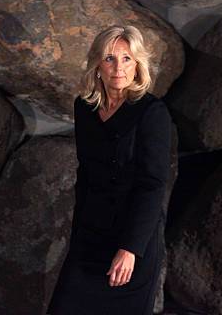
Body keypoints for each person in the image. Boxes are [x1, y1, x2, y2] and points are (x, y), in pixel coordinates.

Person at [48, 25, 171, 315]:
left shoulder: (152, 112)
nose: (118, 68)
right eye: (110, 59)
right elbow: (85, 174)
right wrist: (77, 234)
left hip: (131, 242)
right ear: (97, 65)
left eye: (127, 59)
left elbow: (152, 185)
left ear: (138, 64)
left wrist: (130, 249)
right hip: (89, 238)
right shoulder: (84, 107)